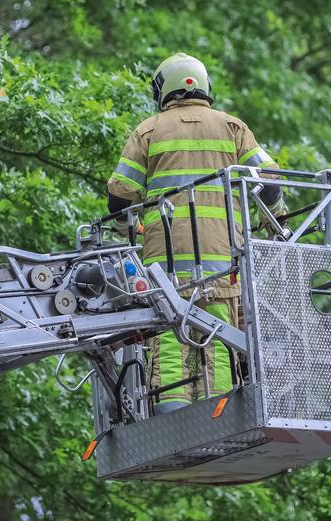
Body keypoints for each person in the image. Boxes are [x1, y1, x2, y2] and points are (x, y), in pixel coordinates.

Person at [106, 52, 283, 413]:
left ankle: (173, 412)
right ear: (203, 85)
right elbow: (270, 183)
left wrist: (128, 225)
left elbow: (119, 196)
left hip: (166, 268)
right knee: (219, 337)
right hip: (221, 261)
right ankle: (217, 411)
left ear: (164, 88)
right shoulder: (233, 128)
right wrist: (277, 221)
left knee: (171, 338)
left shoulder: (148, 130)